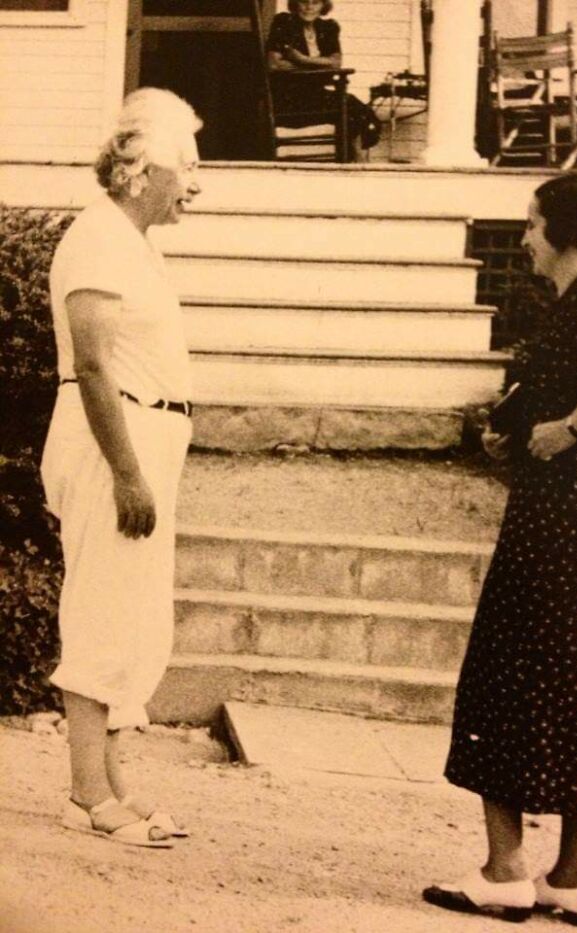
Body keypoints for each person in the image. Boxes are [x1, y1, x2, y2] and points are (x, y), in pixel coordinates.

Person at [423, 174, 577, 925]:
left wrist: (572, 428)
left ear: (561, 231)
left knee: (508, 667)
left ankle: (504, 870)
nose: (525, 238)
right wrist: (518, 431)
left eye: (531, 226)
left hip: (569, 507)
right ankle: (572, 874)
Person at [40, 87, 202, 848]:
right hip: (114, 445)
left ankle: (112, 786)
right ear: (141, 171)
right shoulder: (99, 239)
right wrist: (130, 472)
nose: (194, 185)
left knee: (130, 616)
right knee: (103, 611)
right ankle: (84, 793)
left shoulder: (131, 243)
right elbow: (96, 368)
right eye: (186, 165)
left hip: (142, 440)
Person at [266, 0, 380, 160]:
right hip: (289, 97)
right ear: (295, 4)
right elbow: (275, 64)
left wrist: (300, 58)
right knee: (351, 109)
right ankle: (353, 160)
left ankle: (352, 159)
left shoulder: (328, 28)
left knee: (357, 111)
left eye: (315, 2)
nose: (309, 7)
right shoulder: (284, 23)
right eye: (304, 2)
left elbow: (336, 62)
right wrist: (320, 63)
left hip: (316, 95)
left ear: (323, 6)